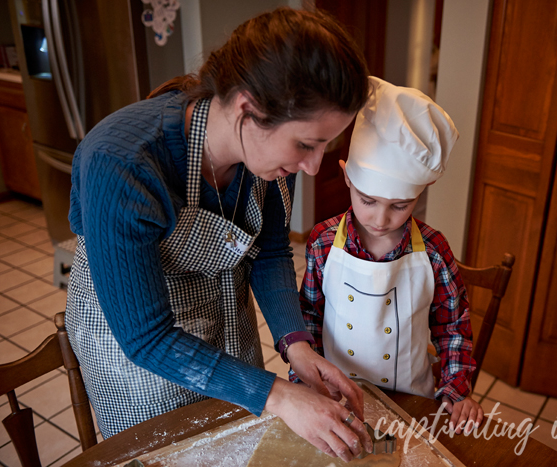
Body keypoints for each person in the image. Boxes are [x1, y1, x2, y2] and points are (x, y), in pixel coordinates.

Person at [65, 7, 374, 462]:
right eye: (306, 144)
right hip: (141, 351)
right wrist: (279, 395)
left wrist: (297, 345)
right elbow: (148, 339)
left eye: (327, 145)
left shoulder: (268, 158)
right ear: (248, 110)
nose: (313, 166)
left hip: (224, 314)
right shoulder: (123, 163)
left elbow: (269, 251)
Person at [295, 76, 485, 433]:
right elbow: (309, 315)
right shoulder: (322, 241)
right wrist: (307, 378)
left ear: (421, 191)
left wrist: (457, 390)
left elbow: (453, 325)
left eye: (400, 205)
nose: (381, 220)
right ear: (347, 178)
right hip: (336, 396)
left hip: (409, 399)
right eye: (368, 201)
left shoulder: (433, 249)